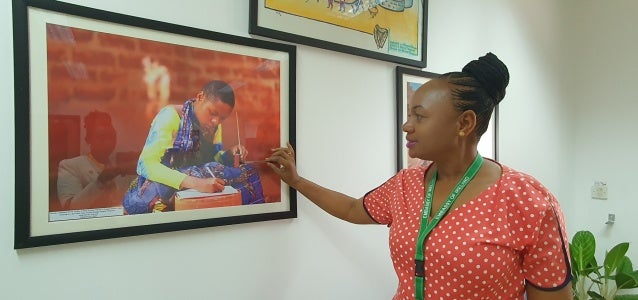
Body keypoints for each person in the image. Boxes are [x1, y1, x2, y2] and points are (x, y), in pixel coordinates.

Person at [266, 53, 573, 299]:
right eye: (409, 114)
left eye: (420, 116)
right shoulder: (406, 184)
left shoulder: (527, 200)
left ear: (464, 123)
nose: (406, 126)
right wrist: (296, 181)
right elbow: (350, 209)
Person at [123, 80, 266, 214]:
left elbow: (213, 160)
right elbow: (145, 165)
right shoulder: (171, 115)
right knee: (144, 202)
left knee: (248, 171)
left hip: (200, 176)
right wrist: (197, 183)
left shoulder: (215, 127)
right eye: (212, 113)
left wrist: (229, 154)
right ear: (200, 97)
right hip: (163, 182)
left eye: (222, 118)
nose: (215, 121)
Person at [57, 111, 136, 210]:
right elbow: (70, 208)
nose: (108, 142)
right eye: (102, 137)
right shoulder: (70, 166)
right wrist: (99, 182)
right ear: (88, 139)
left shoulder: (121, 167)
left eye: (112, 136)